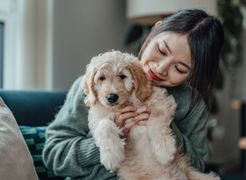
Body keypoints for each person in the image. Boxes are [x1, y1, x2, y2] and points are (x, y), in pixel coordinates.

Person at [42, 9, 224, 180]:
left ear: (192, 73)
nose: (160, 68)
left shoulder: (192, 103)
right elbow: (54, 155)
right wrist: (109, 140)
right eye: (161, 50)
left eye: (179, 68)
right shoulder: (96, 86)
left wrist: (163, 126)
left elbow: (197, 167)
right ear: (156, 29)